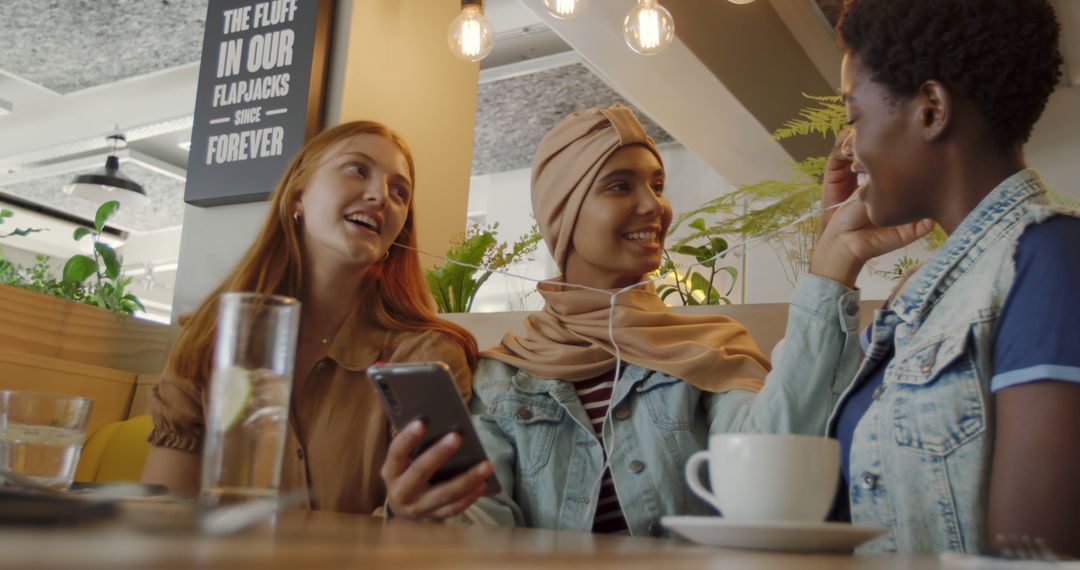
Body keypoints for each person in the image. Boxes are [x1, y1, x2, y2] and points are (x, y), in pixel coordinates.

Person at [381, 104, 870, 533]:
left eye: (657, 185)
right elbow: (484, 532)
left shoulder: (713, 348)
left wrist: (832, 267)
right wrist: (422, 514)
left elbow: (772, 476)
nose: (653, 205)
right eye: (619, 186)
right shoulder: (501, 378)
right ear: (563, 213)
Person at [816, 0, 1080, 555]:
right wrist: (831, 254)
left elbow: (1031, 560)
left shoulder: (1052, 260)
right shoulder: (923, 293)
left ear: (931, 109)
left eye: (854, 116)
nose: (848, 147)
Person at [141, 121, 479, 514]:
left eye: (400, 191)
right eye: (358, 169)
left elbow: (436, 530)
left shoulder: (426, 356)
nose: (380, 196)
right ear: (298, 196)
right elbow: (160, 519)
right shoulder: (210, 338)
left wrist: (404, 517)